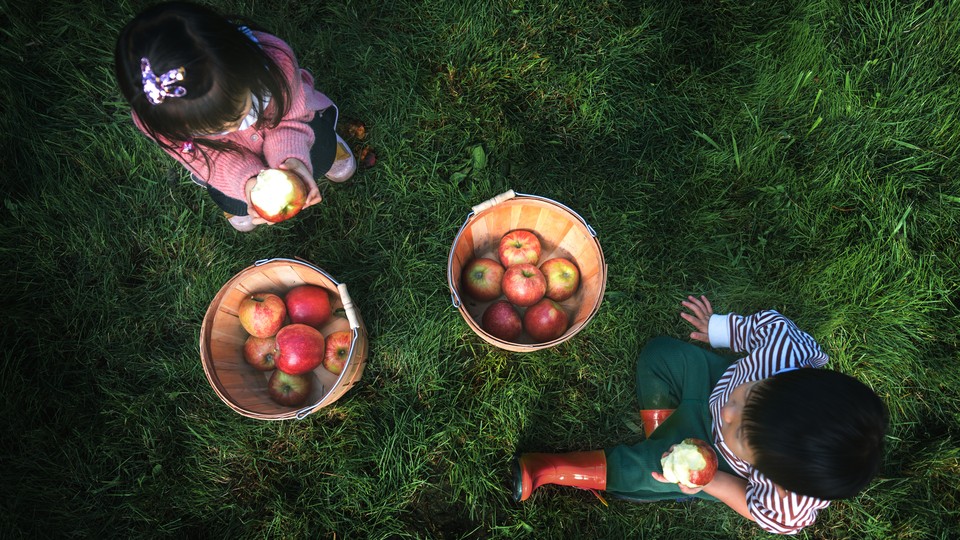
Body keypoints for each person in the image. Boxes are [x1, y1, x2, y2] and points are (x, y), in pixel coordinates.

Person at [513, 295, 888, 535]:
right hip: (712, 383)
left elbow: (752, 505)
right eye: (751, 394)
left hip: (716, 458)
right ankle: (660, 438)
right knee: (660, 355)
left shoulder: (789, 497)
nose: (729, 412)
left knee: (645, 469)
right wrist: (719, 329)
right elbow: (764, 329)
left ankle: (549, 468)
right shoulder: (784, 352)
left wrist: (706, 482)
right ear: (793, 376)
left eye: (741, 432)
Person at [114, 1, 356, 232]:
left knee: (320, 149)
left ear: (242, 62)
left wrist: (292, 161)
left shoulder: (275, 63)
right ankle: (239, 204)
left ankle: (327, 151)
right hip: (229, 169)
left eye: (238, 109)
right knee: (234, 200)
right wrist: (249, 184)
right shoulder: (163, 123)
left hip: (294, 130)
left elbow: (290, 117)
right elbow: (208, 160)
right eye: (211, 128)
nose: (232, 126)